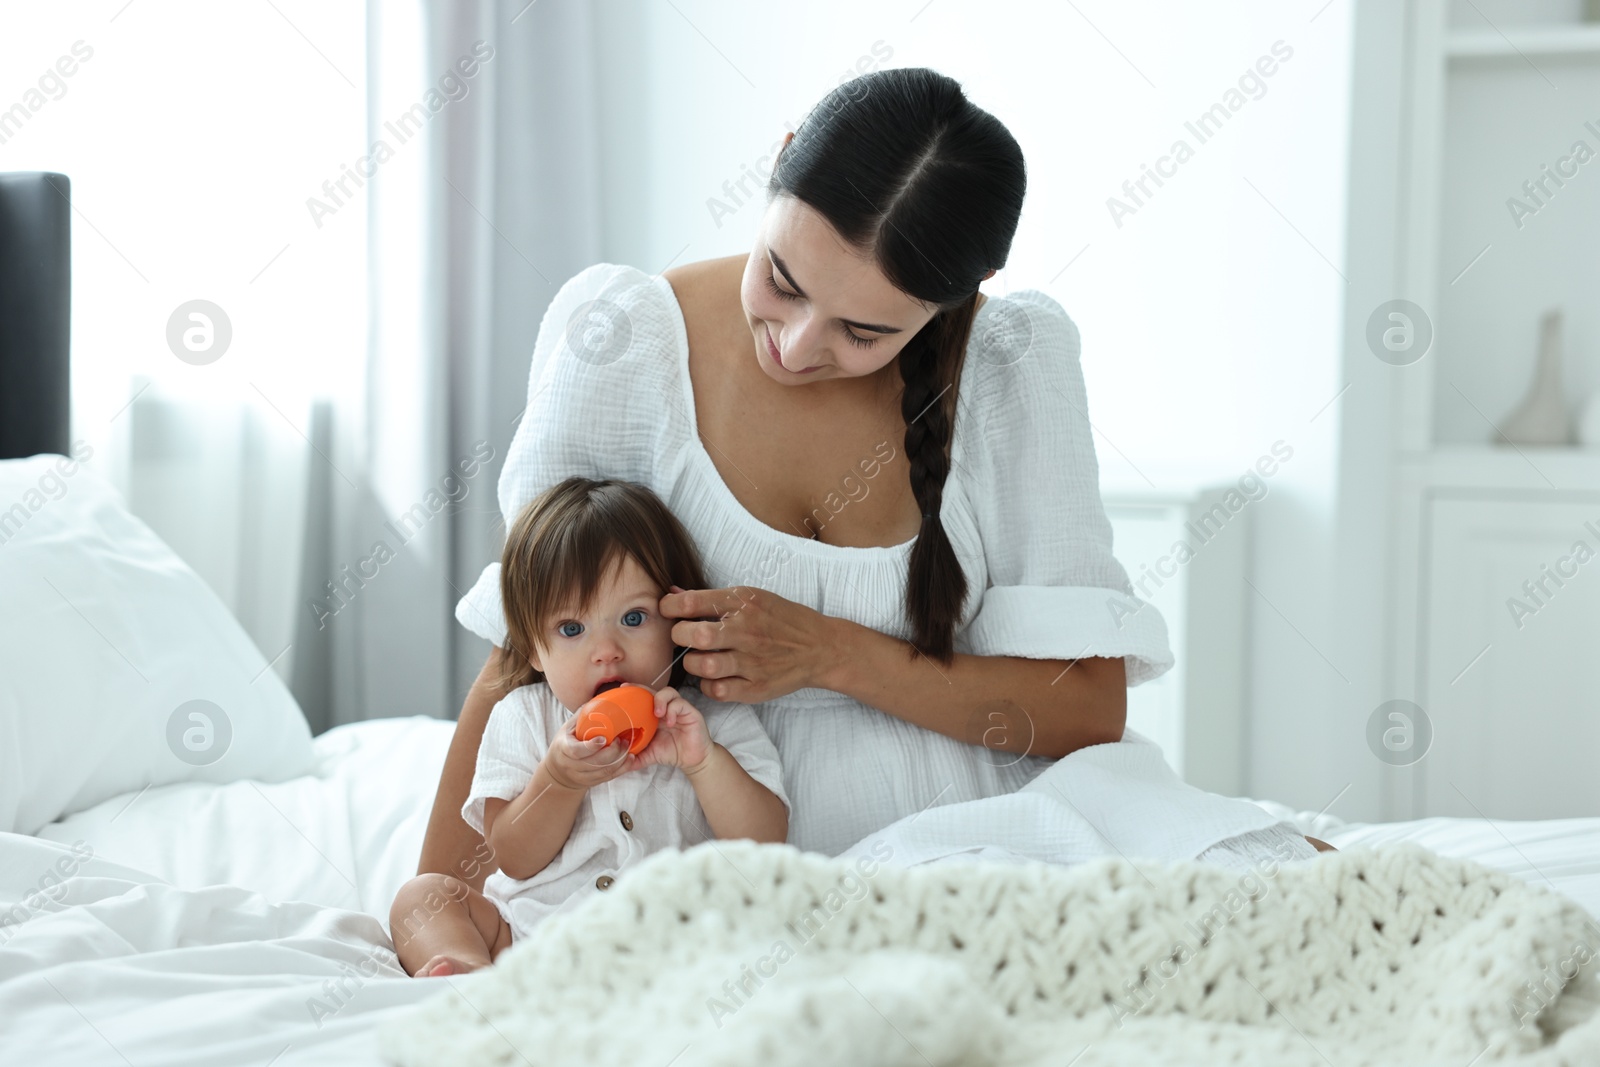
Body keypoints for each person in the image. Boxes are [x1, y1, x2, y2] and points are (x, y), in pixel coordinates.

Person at [418, 66, 1326, 893]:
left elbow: (1089, 706)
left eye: (864, 332)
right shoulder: (618, 340)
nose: (798, 345)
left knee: (1293, 906)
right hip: (744, 841)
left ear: (962, 293)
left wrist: (831, 653)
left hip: (1005, 813)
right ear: (777, 164)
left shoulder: (1014, 366)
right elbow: (528, 647)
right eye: (783, 277)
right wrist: (437, 898)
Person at [392, 477, 788, 977]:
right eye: (572, 629)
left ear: (674, 621)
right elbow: (513, 858)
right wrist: (557, 781)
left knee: (764, 928)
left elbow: (766, 845)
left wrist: (705, 762)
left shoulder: (710, 718)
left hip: (672, 939)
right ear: (534, 649)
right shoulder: (523, 716)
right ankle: (472, 977)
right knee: (421, 897)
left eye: (634, 617)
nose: (608, 651)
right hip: (533, 935)